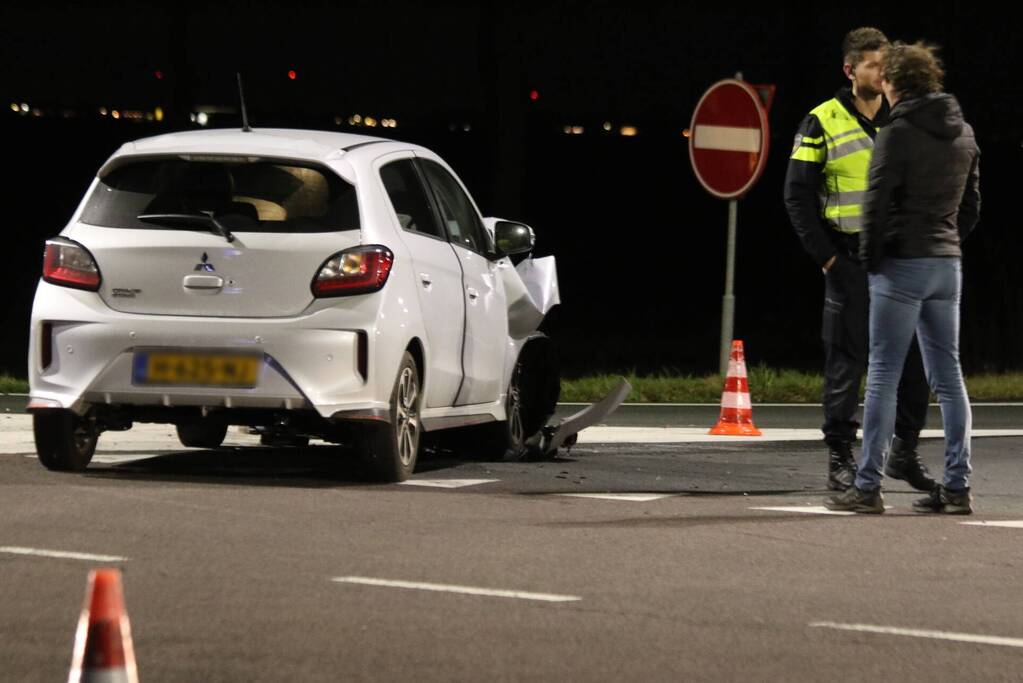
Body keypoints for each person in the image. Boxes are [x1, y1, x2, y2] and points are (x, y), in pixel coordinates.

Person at [826, 41, 981, 514]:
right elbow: (971, 207)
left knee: (883, 376)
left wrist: (871, 261)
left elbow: (874, 206)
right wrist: (946, 242)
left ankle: (867, 486)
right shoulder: (964, 132)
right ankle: (957, 487)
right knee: (949, 376)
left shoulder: (896, 133)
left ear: (894, 82)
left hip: (901, 265)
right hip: (946, 265)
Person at [785, 27, 934, 493]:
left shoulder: (903, 117)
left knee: (915, 362)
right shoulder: (821, 121)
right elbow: (797, 196)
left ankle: (904, 451)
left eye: (886, 64)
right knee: (846, 363)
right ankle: (840, 457)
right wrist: (828, 259)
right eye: (872, 64)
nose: (882, 72)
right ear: (850, 70)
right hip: (848, 259)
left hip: (899, 260)